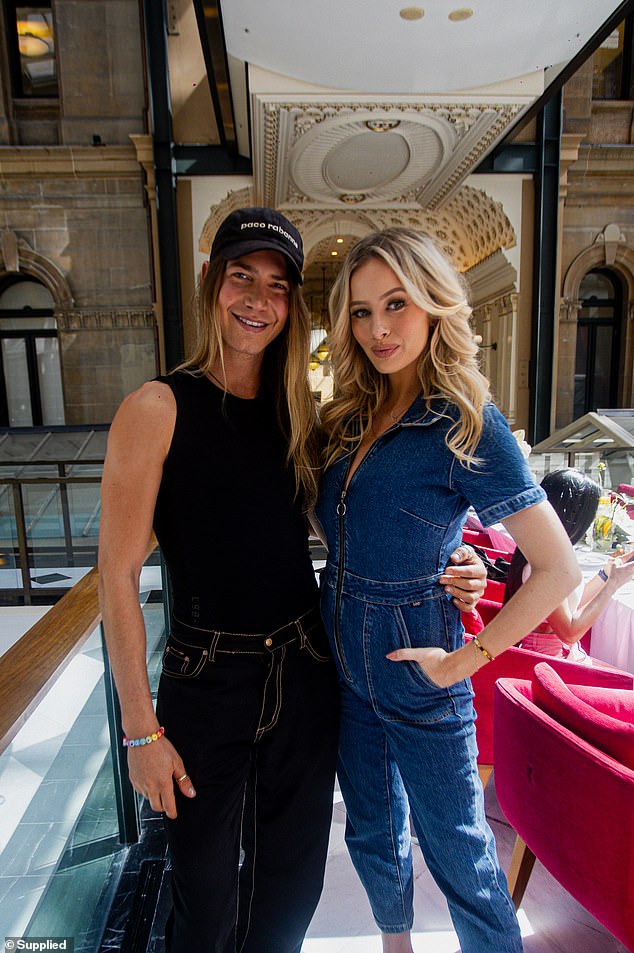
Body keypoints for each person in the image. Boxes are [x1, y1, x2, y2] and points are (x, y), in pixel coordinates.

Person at [97, 208, 487, 953]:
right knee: (203, 899)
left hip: (306, 672)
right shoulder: (157, 408)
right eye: (242, 275)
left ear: (292, 306)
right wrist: (139, 729)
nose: (258, 298)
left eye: (277, 285)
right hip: (206, 683)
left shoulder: (298, 414)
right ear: (212, 283)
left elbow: (346, 525)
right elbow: (116, 579)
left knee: (292, 891)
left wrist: (449, 563)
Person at [315, 227, 582, 953]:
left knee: (459, 849)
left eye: (396, 304)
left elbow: (559, 568)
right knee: (372, 830)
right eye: (361, 312)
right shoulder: (343, 418)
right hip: (341, 661)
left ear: (434, 304)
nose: (377, 328)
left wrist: (466, 660)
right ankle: (394, 946)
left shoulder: (466, 422)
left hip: (420, 664)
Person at [505, 468, 634, 660]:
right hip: (552, 664)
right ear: (575, 516)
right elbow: (570, 632)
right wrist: (613, 585)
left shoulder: (539, 549)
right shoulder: (545, 566)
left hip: (549, 659)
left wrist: (607, 572)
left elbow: (570, 604)